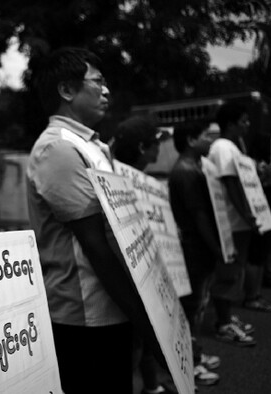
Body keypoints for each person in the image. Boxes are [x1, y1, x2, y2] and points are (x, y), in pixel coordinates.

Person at [26, 47, 161, 393]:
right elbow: (96, 246)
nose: (107, 91)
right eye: (97, 82)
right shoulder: (57, 148)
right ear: (67, 91)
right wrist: (147, 322)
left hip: (111, 307)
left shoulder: (93, 147)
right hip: (83, 316)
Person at [112, 115, 178, 394]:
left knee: (142, 341)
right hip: (131, 284)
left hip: (148, 279)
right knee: (132, 347)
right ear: (141, 148)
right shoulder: (115, 182)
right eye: (155, 144)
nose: (159, 150)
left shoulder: (142, 182)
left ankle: (152, 387)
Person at [168, 121, 229, 385]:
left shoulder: (193, 168)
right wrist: (218, 247)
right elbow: (199, 215)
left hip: (197, 249)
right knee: (191, 309)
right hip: (195, 250)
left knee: (198, 304)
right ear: (192, 140)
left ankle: (196, 355)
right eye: (206, 136)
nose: (211, 142)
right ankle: (189, 366)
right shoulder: (186, 172)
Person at [207, 102, 259, 345]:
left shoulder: (232, 146)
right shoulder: (224, 147)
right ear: (230, 124)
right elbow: (231, 184)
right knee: (228, 272)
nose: (247, 125)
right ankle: (223, 323)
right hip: (232, 221)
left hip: (238, 221)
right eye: (243, 121)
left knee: (234, 271)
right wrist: (247, 213)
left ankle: (226, 315)